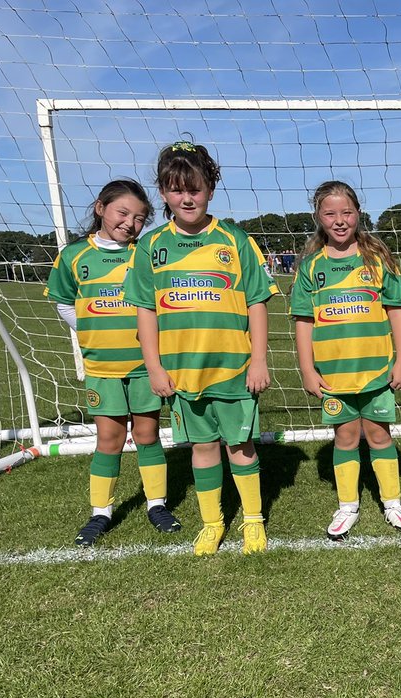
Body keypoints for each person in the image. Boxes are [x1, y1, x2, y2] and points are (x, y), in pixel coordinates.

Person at [125, 140, 279, 555]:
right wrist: (154, 367)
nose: (187, 197)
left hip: (233, 366)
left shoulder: (235, 239)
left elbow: (257, 302)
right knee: (204, 447)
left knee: (241, 447)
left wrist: (259, 360)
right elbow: (145, 311)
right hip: (181, 370)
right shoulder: (150, 247)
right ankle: (212, 523)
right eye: (177, 189)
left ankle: (252, 521)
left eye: (195, 188)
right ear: (162, 193)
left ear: (210, 189)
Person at [46, 179, 181, 546]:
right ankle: (100, 513)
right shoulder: (74, 256)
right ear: (100, 207)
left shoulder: (144, 254)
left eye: (139, 218)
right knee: (109, 438)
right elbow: (61, 300)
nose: (130, 223)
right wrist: (90, 328)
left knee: (147, 435)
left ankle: (157, 504)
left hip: (143, 365)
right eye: (123, 212)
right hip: (102, 367)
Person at [291, 181, 401, 539]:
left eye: (346, 212)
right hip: (333, 376)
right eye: (330, 213)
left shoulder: (376, 261)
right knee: (345, 438)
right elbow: (303, 321)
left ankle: (392, 502)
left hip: (376, 371)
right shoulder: (311, 267)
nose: (340, 220)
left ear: (358, 213)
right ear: (318, 217)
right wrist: (307, 370)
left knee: (379, 436)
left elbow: (397, 312)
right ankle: (348, 506)